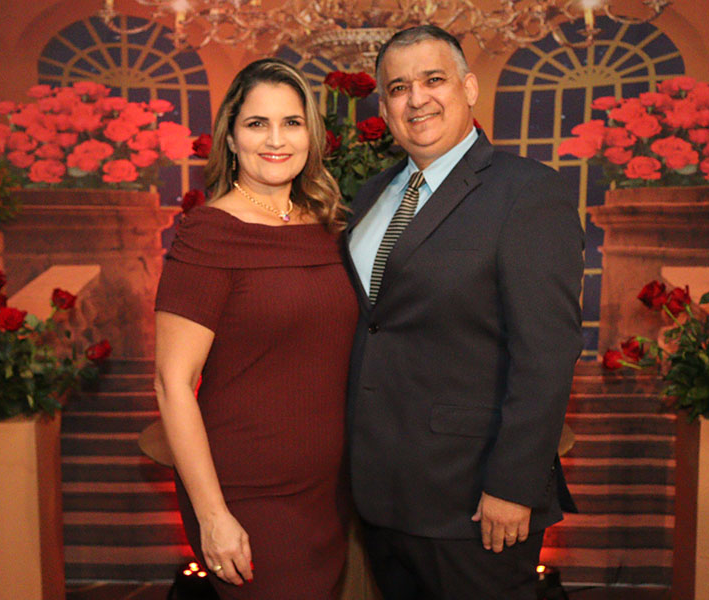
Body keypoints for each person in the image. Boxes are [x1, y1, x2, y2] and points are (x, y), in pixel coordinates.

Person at [344, 26, 584, 599]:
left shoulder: (527, 192)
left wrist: (515, 486)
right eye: (398, 88)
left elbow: (546, 356)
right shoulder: (371, 195)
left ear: (469, 88)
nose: (416, 99)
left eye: (433, 80)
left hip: (475, 501)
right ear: (384, 107)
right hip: (381, 494)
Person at [153, 58, 357, 599]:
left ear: (311, 136)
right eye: (257, 123)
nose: (276, 139)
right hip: (247, 493)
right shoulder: (209, 233)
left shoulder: (328, 227)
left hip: (326, 490)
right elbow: (173, 383)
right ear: (231, 138)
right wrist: (212, 514)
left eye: (291, 123)